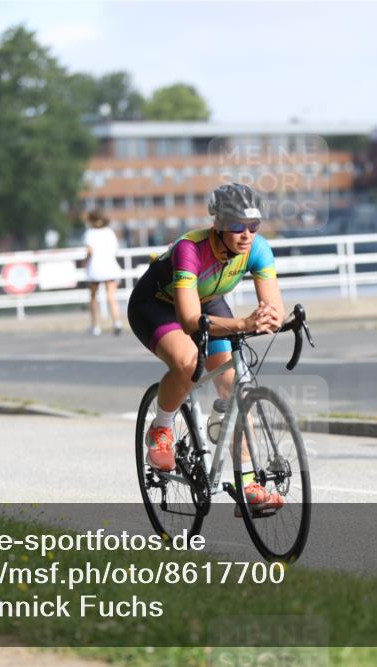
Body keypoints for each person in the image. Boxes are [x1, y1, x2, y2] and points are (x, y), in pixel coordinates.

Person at [127, 183, 285, 510]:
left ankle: (248, 487)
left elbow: (273, 306)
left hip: (208, 301)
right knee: (187, 361)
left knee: (236, 389)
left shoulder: (259, 249)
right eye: (237, 226)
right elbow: (188, 320)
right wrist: (243, 323)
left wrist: (273, 318)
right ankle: (162, 428)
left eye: (253, 226)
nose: (246, 234)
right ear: (218, 225)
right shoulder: (190, 248)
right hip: (157, 305)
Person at [83, 209, 123, 336]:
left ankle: (96, 326)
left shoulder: (90, 233)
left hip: (95, 267)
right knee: (111, 296)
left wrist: (84, 262)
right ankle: (117, 322)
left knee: (93, 297)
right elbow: (115, 249)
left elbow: (89, 251)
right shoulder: (109, 232)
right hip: (109, 266)